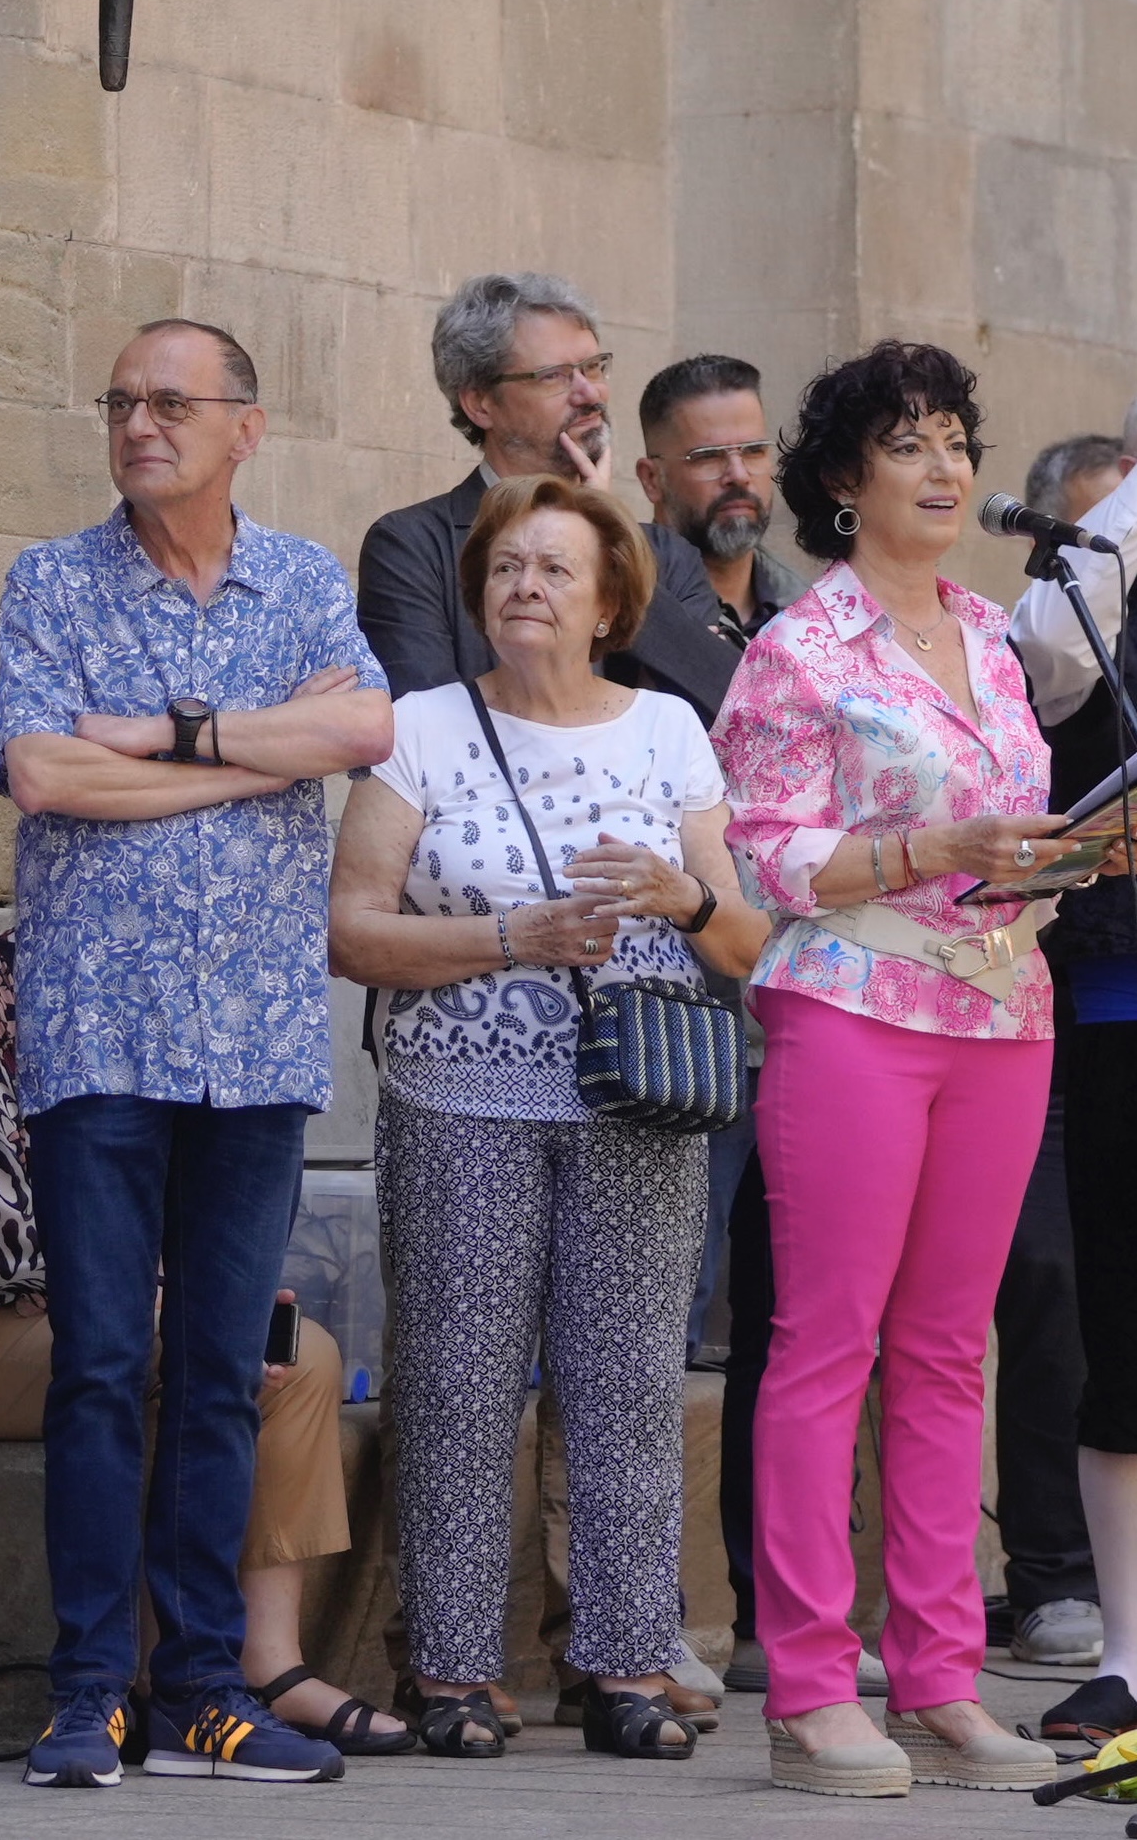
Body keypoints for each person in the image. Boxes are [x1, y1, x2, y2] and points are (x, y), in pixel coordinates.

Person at [0, 317, 391, 1788]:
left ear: (246, 425)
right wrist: (241, 762)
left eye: (170, 401)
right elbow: (39, 771)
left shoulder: (302, 580)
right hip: (101, 1034)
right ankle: (91, 1682)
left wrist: (168, 737)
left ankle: (202, 1689)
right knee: (101, 1362)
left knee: (223, 1368)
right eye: (120, 400)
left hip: (260, 1044)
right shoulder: (51, 579)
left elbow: (363, 724)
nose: (138, 422)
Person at [329, 473, 767, 1761]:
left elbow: (743, 941)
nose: (523, 586)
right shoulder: (419, 727)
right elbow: (352, 930)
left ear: (607, 601)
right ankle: (455, 1676)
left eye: (552, 569)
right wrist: (509, 934)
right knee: (456, 1382)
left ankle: (626, 1667)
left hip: (634, 1096)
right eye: (505, 567)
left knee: (626, 1381)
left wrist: (679, 894)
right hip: (454, 1094)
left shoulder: (669, 733)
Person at [713, 338, 1078, 1798]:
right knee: (828, 1344)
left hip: (1004, 1010)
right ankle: (810, 1679)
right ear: (843, 481)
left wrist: (1079, 847)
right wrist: (931, 847)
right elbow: (763, 847)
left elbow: (1020, 813)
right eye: (908, 444)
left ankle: (937, 1672)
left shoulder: (997, 636)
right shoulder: (801, 648)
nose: (942, 469)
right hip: (854, 1007)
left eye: (955, 441)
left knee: (947, 1349)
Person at [0, 934, 411, 1758]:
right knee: (129, 1356)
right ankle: (106, 1683)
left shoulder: (218, 1021)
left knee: (292, 1354)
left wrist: (203, 1284)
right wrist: (169, 1288)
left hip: (73, 1306)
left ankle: (263, 1665)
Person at [628, 353, 843, 1700]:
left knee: (795, 1328)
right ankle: (632, 1622)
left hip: (815, 1013)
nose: (738, 480)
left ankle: (781, 1615)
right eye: (707, 458)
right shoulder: (627, 615)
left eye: (753, 453)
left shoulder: (809, 617)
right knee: (658, 1324)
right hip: (688, 1025)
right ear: (653, 477)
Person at [1008, 410, 1137, 1742]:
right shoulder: (1088, 596)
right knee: (1122, 1335)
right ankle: (1129, 1654)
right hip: (1119, 990)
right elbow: (1045, 658)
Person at [358, 272, 734, 718]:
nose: (589, 392)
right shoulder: (412, 546)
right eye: (553, 376)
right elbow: (427, 729)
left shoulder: (664, 555)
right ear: (481, 404)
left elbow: (726, 708)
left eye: (595, 367)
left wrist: (605, 539)